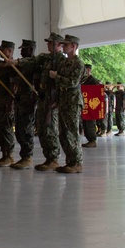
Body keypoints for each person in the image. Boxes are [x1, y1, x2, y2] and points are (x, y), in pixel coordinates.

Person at [50, 34, 84, 173]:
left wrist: (56, 76)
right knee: (63, 133)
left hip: (73, 101)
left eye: (66, 44)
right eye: (63, 44)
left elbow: (73, 82)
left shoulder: (78, 63)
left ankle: (77, 163)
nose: (63, 46)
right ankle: (70, 161)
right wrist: (57, 100)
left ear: (74, 46)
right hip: (64, 100)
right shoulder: (64, 63)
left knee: (72, 132)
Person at [34, 33, 64, 171]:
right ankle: (48, 157)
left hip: (52, 97)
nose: (48, 44)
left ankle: (53, 158)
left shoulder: (62, 61)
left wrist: (58, 99)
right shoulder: (46, 59)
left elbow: (64, 82)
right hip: (43, 95)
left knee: (50, 127)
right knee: (41, 128)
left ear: (58, 45)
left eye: (51, 43)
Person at [9, 39, 38, 169]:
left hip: (29, 100)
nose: (21, 51)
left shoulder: (34, 63)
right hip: (20, 99)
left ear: (31, 49)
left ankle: (28, 157)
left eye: (24, 49)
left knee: (26, 129)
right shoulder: (21, 65)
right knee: (19, 130)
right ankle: (23, 156)